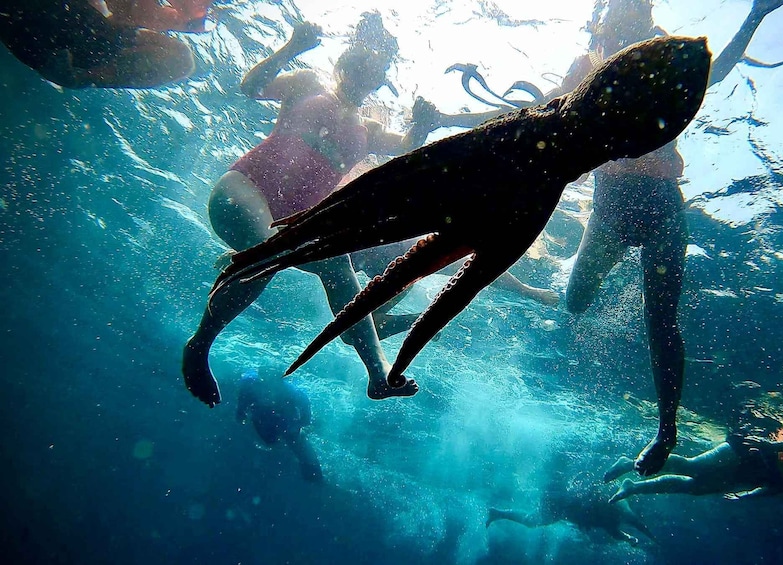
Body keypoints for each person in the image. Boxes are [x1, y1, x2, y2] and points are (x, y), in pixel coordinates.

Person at [409, 0, 783, 476]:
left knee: (661, 321)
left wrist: (755, 16)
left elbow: (711, 72)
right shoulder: (587, 64)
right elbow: (534, 113)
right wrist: (450, 118)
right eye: (615, 19)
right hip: (610, 209)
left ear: (644, 16)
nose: (620, 25)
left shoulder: (662, 54)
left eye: (632, 15)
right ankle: (543, 291)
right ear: (605, 21)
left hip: (662, 207)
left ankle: (666, 432)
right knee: (574, 302)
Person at [184, 14, 557, 409]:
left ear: (380, 80)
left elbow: (408, 147)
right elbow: (251, 86)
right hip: (245, 188)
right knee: (268, 254)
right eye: (359, 65)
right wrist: (292, 47)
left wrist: (424, 123)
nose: (364, 76)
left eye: (374, 71)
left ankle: (378, 375)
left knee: (336, 264)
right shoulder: (307, 84)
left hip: (291, 224)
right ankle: (200, 345)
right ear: (341, 63)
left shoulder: (369, 130)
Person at [606, 434, 783, 503]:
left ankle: (634, 487)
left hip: (751, 474)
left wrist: (747, 496)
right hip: (745, 453)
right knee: (693, 467)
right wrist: (768, 448)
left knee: (693, 488)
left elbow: (780, 488)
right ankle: (630, 464)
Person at [0, 0, 213, 89]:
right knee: (180, 59)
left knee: (180, 59)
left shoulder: (101, 35)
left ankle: (84, 74)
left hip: (53, 43)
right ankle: (84, 74)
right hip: (52, 41)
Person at [486, 480, 654, 546]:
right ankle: (497, 513)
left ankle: (497, 513)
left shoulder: (614, 517)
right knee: (532, 520)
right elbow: (626, 527)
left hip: (562, 505)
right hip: (561, 504)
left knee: (531, 521)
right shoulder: (617, 509)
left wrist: (629, 538)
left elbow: (615, 532)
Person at [236, 368, 323, 482]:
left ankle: (315, 477)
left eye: (273, 380)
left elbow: (305, 407)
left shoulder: (289, 390)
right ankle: (303, 467)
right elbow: (243, 398)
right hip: (263, 418)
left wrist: (301, 423)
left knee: (296, 441)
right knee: (271, 441)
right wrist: (241, 412)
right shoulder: (251, 384)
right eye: (266, 378)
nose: (269, 386)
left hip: (285, 419)